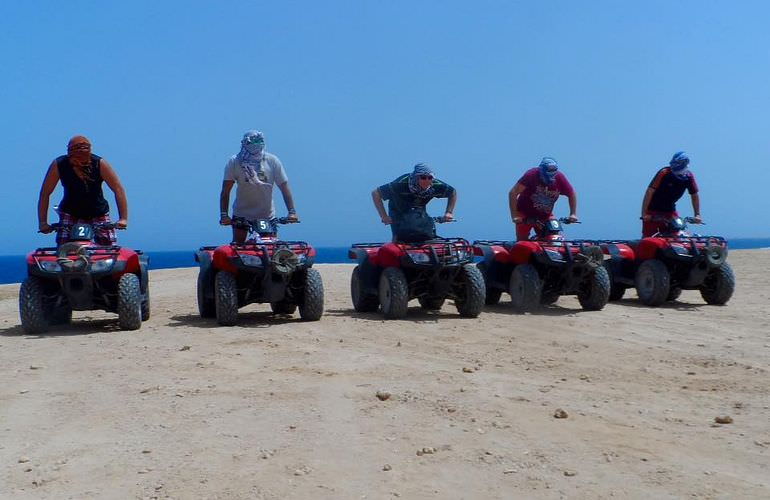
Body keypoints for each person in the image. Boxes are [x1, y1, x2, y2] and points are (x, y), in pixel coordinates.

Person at [38, 135, 128, 245]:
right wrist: (43, 222)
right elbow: (45, 193)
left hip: (98, 213)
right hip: (70, 212)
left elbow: (118, 189)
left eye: (84, 148)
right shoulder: (60, 164)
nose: (80, 153)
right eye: (77, 149)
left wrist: (123, 218)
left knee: (109, 247)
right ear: (69, 151)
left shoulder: (99, 163)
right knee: (64, 248)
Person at [219, 130, 299, 243]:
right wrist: (224, 215)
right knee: (238, 246)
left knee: (270, 245)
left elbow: (284, 187)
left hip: (266, 214)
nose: (257, 144)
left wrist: (292, 212)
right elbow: (226, 191)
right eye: (254, 141)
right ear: (245, 143)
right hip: (241, 213)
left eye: (260, 141)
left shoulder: (272, 161)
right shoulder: (234, 162)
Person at [372, 163, 457, 242]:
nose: (427, 181)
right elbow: (376, 193)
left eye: (430, 178)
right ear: (416, 177)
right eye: (423, 177)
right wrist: (384, 216)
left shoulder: (435, 185)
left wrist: (449, 212)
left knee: (425, 234)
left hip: (419, 210)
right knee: (400, 237)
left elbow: (452, 193)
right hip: (398, 210)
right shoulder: (400, 184)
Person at [508, 157, 577, 240]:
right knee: (522, 240)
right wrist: (515, 215)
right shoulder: (531, 175)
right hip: (525, 215)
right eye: (549, 170)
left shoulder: (559, 177)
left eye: (554, 170)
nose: (551, 173)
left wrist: (573, 214)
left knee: (554, 236)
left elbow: (571, 194)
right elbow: (513, 193)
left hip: (545, 215)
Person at [641, 151, 700, 237]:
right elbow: (649, 192)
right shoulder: (664, 173)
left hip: (670, 212)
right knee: (649, 238)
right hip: (652, 211)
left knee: (677, 235)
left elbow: (694, 195)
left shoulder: (689, 177)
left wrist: (697, 214)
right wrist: (644, 214)